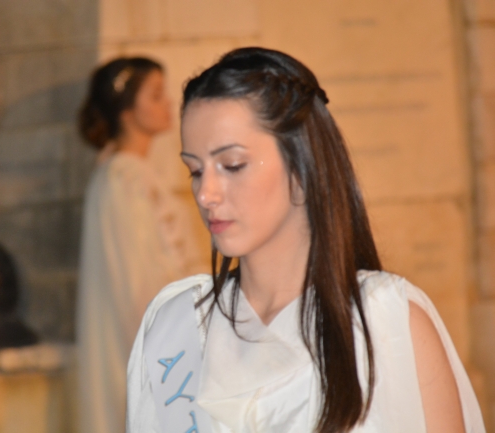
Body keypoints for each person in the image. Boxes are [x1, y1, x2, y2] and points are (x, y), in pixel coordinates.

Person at [127, 47, 485, 433]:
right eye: (195, 171)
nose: (205, 193)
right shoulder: (177, 325)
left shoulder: (387, 321)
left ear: (301, 166)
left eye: (232, 165)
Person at [76, 57, 207, 433]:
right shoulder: (123, 179)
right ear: (127, 110)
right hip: (160, 352)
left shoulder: (131, 175)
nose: (168, 103)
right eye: (155, 95)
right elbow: (137, 282)